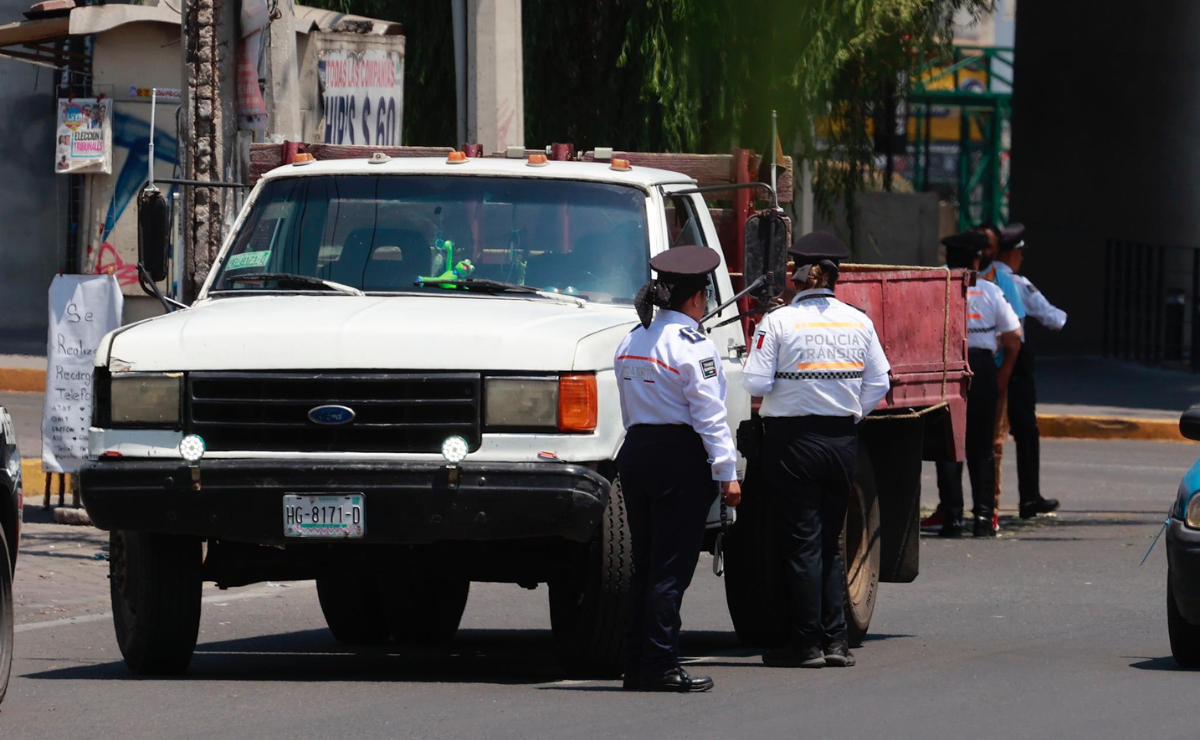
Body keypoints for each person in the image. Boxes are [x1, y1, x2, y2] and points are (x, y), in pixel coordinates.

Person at [742, 231, 891, 669]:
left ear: (810, 274)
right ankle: (836, 642)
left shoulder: (779, 322)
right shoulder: (858, 321)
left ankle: (805, 644)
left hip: (793, 444)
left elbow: (755, 382)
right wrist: (851, 414)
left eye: (794, 268)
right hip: (841, 441)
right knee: (831, 545)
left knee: (802, 544)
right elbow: (879, 382)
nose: (789, 274)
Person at [614, 244, 741, 693]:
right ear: (696, 298)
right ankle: (662, 664)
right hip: (678, 457)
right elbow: (710, 412)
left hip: (637, 450)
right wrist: (728, 472)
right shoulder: (692, 344)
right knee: (671, 567)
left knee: (646, 562)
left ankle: (636, 661)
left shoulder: (633, 337)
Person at [928, 231, 1022, 537]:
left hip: (947, 367)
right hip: (981, 368)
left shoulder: (936, 291)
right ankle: (983, 517)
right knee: (981, 445)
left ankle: (952, 516)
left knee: (948, 443)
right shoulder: (991, 292)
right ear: (976, 259)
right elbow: (1014, 336)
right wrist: (1004, 372)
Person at [994, 223, 1065, 519]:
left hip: (986, 359)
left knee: (987, 435)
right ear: (1012, 254)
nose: (1022, 259)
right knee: (1025, 430)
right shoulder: (1016, 283)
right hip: (1016, 361)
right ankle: (1029, 498)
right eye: (1020, 253)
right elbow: (1053, 318)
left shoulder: (980, 280)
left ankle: (983, 505)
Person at [976, 224, 1026, 531]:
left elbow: (1015, 332)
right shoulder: (951, 276)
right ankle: (950, 509)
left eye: (989, 246)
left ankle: (988, 510)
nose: (982, 252)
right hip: (961, 374)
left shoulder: (1001, 281)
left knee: (992, 443)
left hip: (991, 373)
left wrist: (1004, 374)